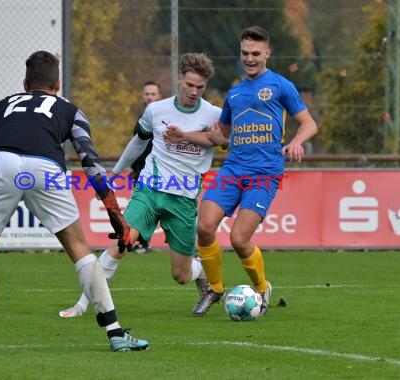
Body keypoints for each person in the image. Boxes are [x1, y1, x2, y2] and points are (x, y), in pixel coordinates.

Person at [0, 51, 149, 354]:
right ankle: (115, 333)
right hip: (46, 168)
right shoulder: (70, 109)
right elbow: (89, 160)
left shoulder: (1, 107)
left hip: (2, 163)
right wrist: (113, 210)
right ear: (57, 83)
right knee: (79, 248)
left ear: (25, 83)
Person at [165, 26, 318, 316]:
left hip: (265, 174)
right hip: (233, 169)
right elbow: (218, 137)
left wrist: (297, 142)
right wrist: (183, 135)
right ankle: (215, 288)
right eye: (245, 53)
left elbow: (309, 123)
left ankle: (261, 288)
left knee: (238, 239)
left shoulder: (281, 86)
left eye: (256, 54)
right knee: (204, 226)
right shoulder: (234, 93)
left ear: (267, 54)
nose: (250, 59)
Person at [58, 53, 223, 318]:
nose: (194, 92)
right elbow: (139, 140)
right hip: (149, 189)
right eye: (189, 84)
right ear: (179, 79)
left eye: (200, 87)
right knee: (121, 243)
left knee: (181, 275)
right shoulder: (157, 110)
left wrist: (192, 136)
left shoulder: (214, 114)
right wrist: (119, 169)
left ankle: (200, 269)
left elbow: (223, 141)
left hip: (183, 198)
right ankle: (82, 304)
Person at [129, 80, 162, 253]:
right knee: (141, 207)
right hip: (142, 169)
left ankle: (144, 242)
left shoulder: (164, 118)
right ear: (143, 96)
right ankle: (140, 242)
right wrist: (134, 167)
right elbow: (137, 146)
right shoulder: (142, 117)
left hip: (160, 170)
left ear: (159, 96)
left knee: (157, 207)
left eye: (153, 94)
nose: (150, 97)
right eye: (147, 94)